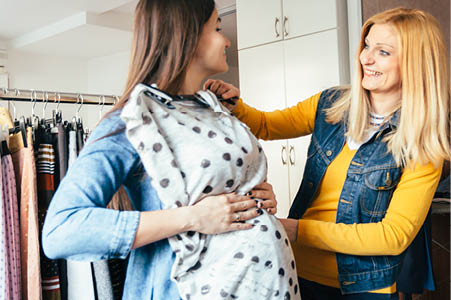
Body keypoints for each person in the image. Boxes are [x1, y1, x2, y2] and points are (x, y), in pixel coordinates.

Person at [42, 0, 299, 299]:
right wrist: (192, 217)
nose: (227, 39)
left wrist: (254, 195)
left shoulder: (214, 109)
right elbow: (62, 230)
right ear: (186, 34)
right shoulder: (133, 121)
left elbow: (222, 192)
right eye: (217, 28)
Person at [205, 7, 450, 300]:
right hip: (295, 267)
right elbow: (267, 125)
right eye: (367, 45)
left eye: (383, 52)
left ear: (415, 63)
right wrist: (237, 106)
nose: (365, 58)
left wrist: (297, 229)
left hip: (363, 286)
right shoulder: (332, 104)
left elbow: (393, 236)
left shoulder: (422, 146)